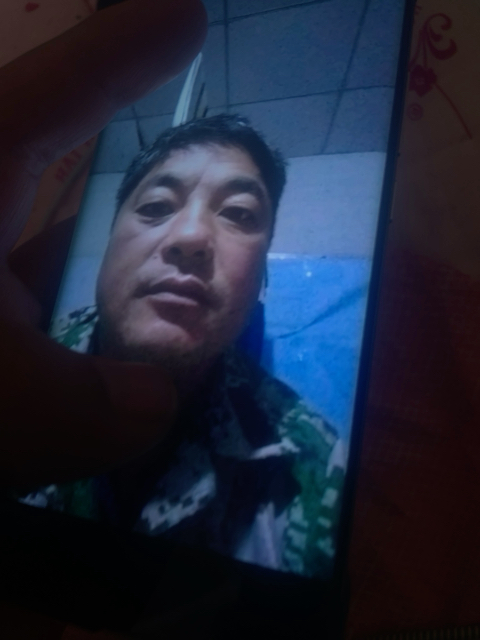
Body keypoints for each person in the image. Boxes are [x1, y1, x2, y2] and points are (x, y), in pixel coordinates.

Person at [18, 114, 345, 578]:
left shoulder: (311, 465)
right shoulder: (19, 361)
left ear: (261, 277)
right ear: (109, 242)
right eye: (156, 206)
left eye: (238, 213)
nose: (191, 237)